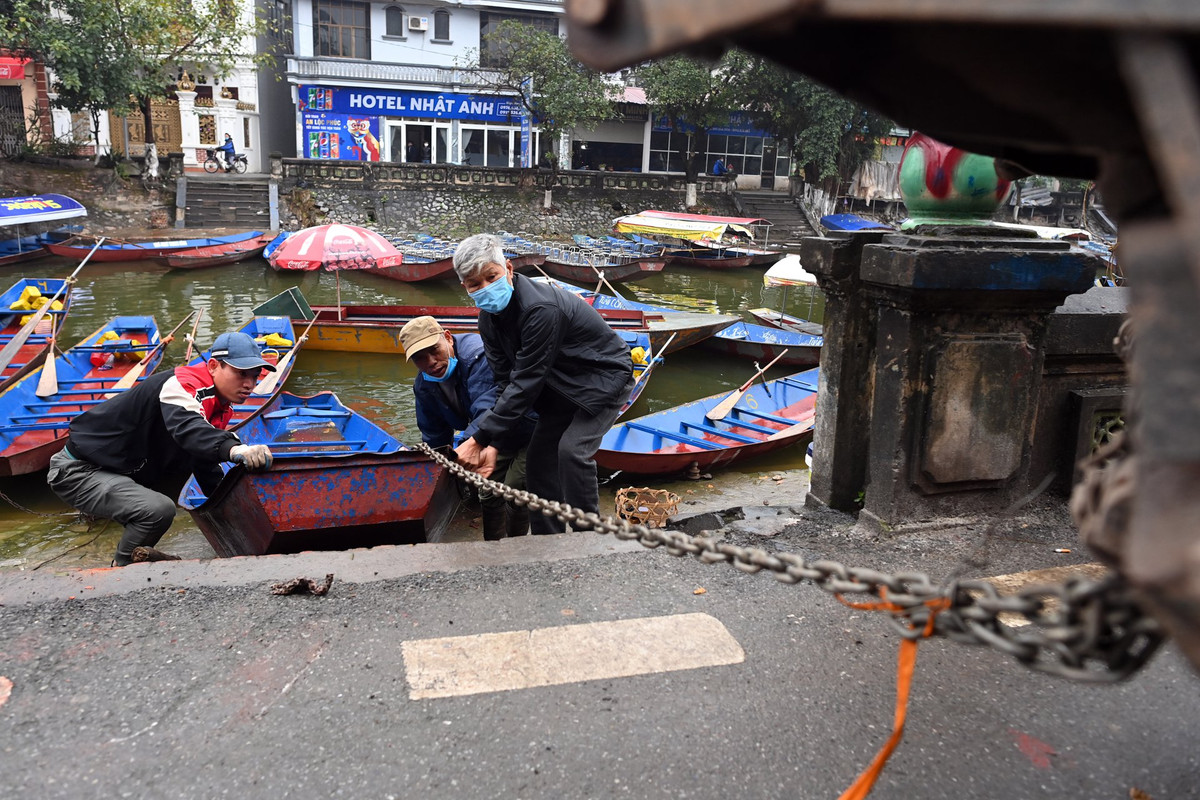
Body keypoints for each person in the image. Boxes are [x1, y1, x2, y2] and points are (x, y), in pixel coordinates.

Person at [451, 234, 634, 535]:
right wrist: (495, 441)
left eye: (491, 277)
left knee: (572, 452)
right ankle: (548, 541)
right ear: (465, 287)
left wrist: (479, 439)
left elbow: (526, 381)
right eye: (475, 284)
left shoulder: (540, 309)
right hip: (557, 387)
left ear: (508, 269)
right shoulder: (487, 321)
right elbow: (504, 384)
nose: (485, 288)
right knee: (538, 464)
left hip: (602, 377)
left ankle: (588, 539)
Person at [46, 331, 275, 567]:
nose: (250, 384)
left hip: (124, 467)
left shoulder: (220, 406)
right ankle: (122, 569)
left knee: (181, 490)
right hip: (80, 469)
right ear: (214, 366)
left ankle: (132, 533)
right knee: (158, 511)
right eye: (241, 374)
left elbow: (202, 457)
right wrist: (236, 449)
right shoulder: (182, 384)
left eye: (255, 376)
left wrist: (230, 510)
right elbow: (190, 428)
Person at [399, 316, 535, 540]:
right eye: (419, 358)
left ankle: (516, 546)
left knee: (516, 487)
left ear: (448, 338)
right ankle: (492, 546)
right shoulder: (424, 385)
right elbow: (434, 432)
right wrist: (439, 461)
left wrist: (467, 446)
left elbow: (487, 405)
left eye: (434, 350)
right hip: (492, 434)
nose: (431, 361)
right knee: (487, 491)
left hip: (529, 422)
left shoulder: (479, 356)